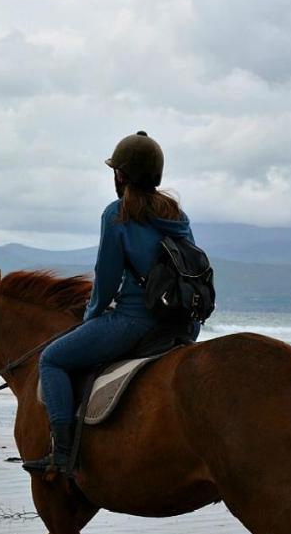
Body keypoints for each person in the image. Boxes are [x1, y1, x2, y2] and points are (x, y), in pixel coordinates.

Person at [24, 131, 200, 476]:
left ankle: (61, 454)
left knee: (53, 359)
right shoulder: (176, 214)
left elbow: (105, 279)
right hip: (182, 324)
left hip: (136, 321)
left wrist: (91, 317)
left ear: (120, 175)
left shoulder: (117, 214)